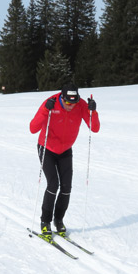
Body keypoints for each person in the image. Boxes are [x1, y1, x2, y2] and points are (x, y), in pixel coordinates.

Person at [29, 83, 99, 240]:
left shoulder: (80, 105)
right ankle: (45, 221)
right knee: (53, 185)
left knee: (66, 187)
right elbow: (33, 128)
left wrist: (92, 112)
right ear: (62, 97)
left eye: (73, 103)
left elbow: (94, 128)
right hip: (46, 147)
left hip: (65, 149)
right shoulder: (51, 102)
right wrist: (45, 110)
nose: (70, 106)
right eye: (67, 102)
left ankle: (58, 220)